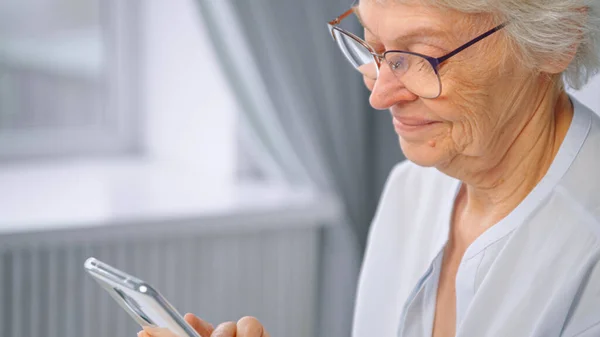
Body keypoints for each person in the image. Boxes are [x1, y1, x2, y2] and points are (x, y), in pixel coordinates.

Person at [139, 0, 600, 336]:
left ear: (555, 41)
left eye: (417, 57)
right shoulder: (410, 189)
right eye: (373, 48)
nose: (379, 96)